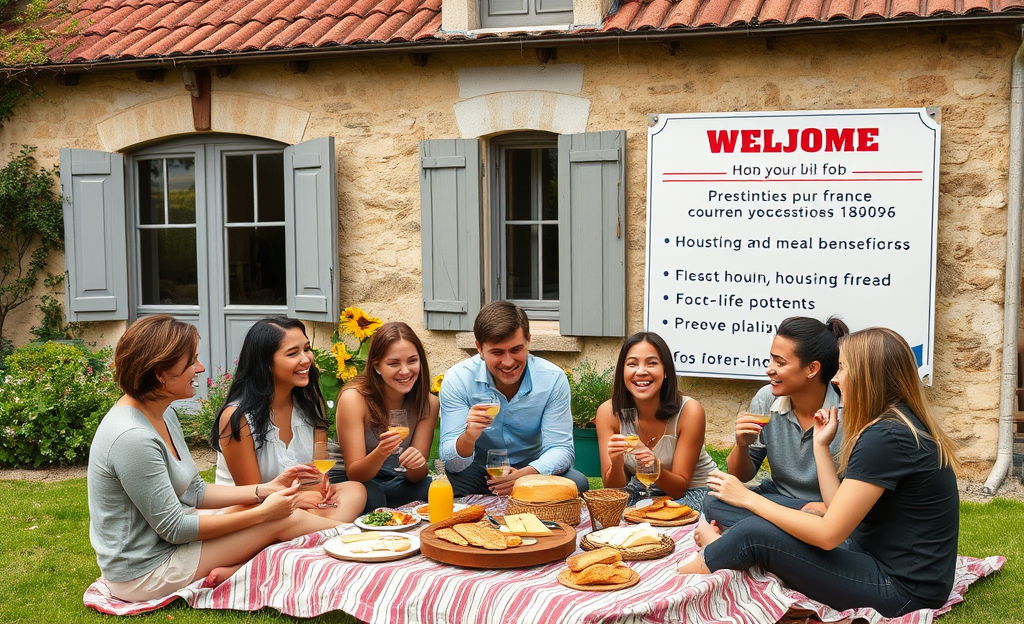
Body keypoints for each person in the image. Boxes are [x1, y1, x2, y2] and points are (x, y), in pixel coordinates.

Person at [680, 327, 960, 618]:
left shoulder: (886, 436)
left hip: (901, 590)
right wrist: (821, 445)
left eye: (843, 368)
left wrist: (749, 499)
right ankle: (729, 550)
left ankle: (699, 562)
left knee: (753, 533)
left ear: (867, 376)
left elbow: (828, 535)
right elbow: (835, 509)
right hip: (871, 556)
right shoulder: (893, 424)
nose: (836, 378)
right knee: (741, 518)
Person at [88, 315, 344, 603]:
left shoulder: (161, 413)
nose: (201, 368)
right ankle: (355, 535)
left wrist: (265, 490)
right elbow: (175, 529)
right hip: (146, 572)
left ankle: (352, 536)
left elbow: (194, 490)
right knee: (281, 520)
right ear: (161, 373)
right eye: (192, 362)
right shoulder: (132, 437)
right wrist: (263, 513)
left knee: (281, 514)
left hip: (171, 547)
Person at [700, 316, 848, 536]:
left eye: (780, 363)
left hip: (830, 506)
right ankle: (786, 533)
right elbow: (741, 475)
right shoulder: (766, 399)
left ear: (812, 368)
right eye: (771, 360)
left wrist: (826, 510)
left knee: (840, 521)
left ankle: (757, 534)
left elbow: (848, 505)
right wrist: (742, 445)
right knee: (714, 500)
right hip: (782, 500)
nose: (769, 369)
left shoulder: (847, 412)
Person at [212, 318, 365, 522]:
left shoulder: (310, 403)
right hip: (252, 511)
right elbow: (253, 495)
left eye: (307, 349)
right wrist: (301, 499)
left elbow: (317, 473)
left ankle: (314, 528)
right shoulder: (238, 417)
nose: (306, 359)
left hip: (299, 504)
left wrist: (318, 488)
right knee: (291, 518)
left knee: (356, 490)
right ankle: (327, 528)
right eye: (293, 353)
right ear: (265, 363)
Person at [439, 301, 589, 497]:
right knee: (451, 484)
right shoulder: (459, 379)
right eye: (497, 352)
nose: (508, 362)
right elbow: (451, 462)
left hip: (532, 469)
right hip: (478, 470)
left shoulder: (552, 379)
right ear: (479, 348)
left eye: (516, 350)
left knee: (577, 482)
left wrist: (526, 475)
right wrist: (469, 437)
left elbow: (561, 448)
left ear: (528, 341)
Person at [595, 332, 717, 510]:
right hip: (645, 489)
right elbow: (614, 490)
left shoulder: (690, 411)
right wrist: (617, 461)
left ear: (665, 370)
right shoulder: (608, 412)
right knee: (609, 514)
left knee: (661, 520)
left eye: (652, 363)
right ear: (622, 371)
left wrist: (654, 467)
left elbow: (679, 489)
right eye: (632, 364)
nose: (641, 371)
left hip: (696, 490)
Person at [330, 321, 438, 508]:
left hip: (395, 478)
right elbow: (354, 473)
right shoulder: (354, 399)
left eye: (412, 361)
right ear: (376, 366)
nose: (405, 371)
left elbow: (415, 477)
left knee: (432, 488)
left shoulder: (428, 403)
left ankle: (388, 507)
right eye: (393, 363)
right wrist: (382, 452)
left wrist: (417, 464)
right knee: (372, 497)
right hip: (354, 481)